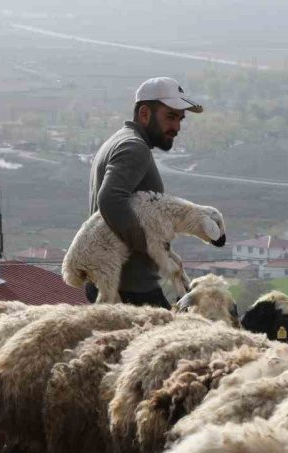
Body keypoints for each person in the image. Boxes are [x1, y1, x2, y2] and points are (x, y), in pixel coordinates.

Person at [85, 76, 204, 308]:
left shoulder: (120, 141)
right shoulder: (134, 148)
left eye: (180, 119)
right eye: (170, 117)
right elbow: (110, 200)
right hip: (130, 287)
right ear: (144, 114)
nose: (177, 127)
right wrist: (150, 245)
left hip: (115, 282)